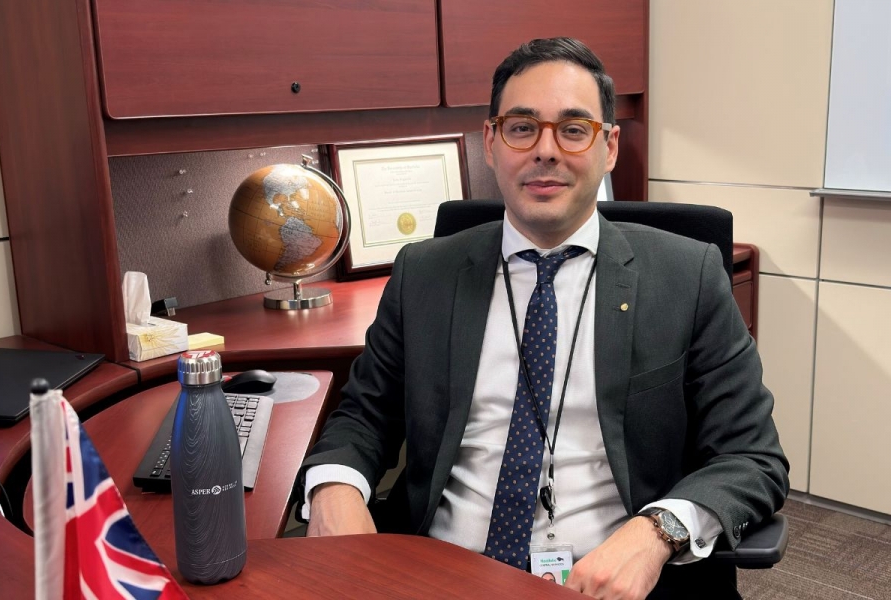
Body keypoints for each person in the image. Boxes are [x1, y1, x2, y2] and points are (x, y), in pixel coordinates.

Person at [295, 37, 789, 599]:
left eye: (574, 130)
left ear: (610, 148)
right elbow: (363, 416)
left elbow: (752, 457)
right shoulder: (425, 273)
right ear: (490, 141)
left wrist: (657, 531)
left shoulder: (687, 276)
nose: (545, 151)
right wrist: (333, 487)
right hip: (438, 574)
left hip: (609, 584)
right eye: (522, 127)